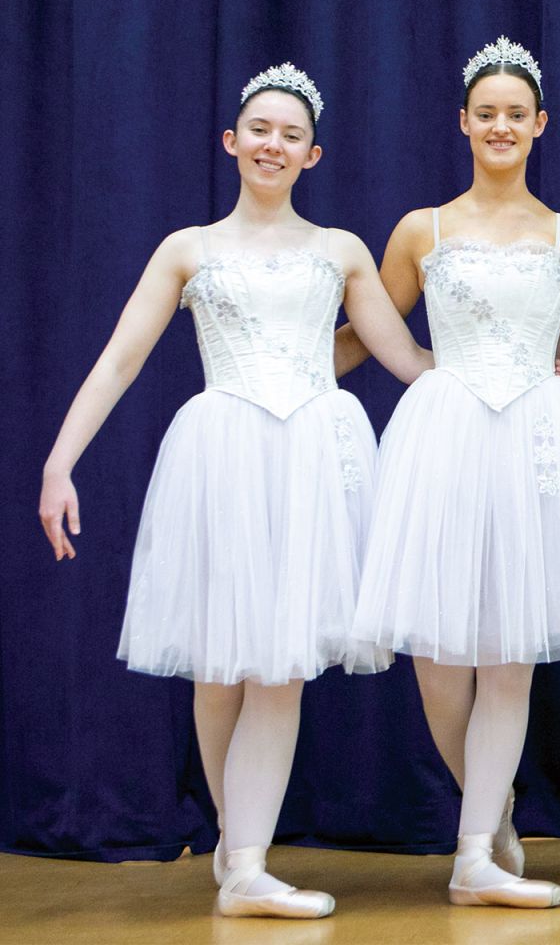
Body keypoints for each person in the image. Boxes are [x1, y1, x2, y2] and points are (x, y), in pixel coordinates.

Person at [37, 64, 429, 918]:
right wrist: (59, 463)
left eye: (291, 135)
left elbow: (404, 358)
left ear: (312, 154)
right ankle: (236, 841)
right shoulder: (188, 249)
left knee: (279, 668)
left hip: (313, 460)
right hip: (222, 457)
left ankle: (246, 866)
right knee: (219, 671)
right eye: (259, 129)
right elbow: (121, 358)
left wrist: (512, 371)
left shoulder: (340, 251)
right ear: (231, 140)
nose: (272, 145)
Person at [347, 37, 560, 909]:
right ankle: (489, 810)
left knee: (508, 654)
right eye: (486, 113)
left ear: (541, 125)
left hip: (534, 440)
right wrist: (289, 369)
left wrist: (549, 357)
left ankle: (470, 858)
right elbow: (368, 331)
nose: (501, 126)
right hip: (444, 435)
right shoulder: (420, 230)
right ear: (464, 122)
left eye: (517, 114)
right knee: (438, 656)